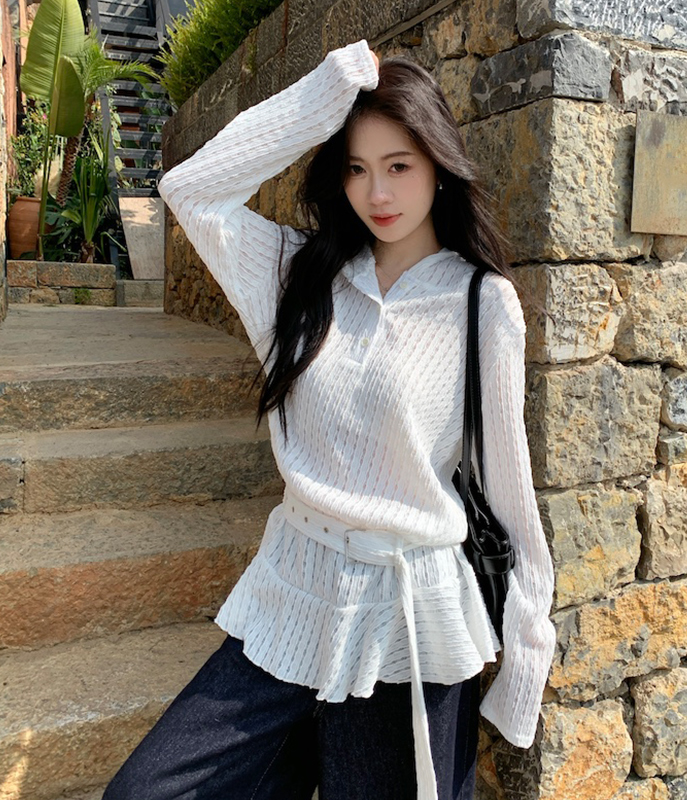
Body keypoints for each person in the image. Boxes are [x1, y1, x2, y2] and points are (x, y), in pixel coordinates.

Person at [102, 38, 556, 800]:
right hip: (294, 591)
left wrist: (527, 650)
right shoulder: (296, 275)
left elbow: (511, 495)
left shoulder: (483, 305)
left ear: (439, 164)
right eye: (355, 167)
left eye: (399, 165)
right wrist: (327, 93)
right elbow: (190, 190)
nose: (377, 191)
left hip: (408, 621)